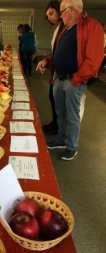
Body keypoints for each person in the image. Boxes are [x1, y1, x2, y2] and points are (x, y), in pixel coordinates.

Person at [36, 0, 104, 160]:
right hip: (58, 78)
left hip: (74, 80)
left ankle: (72, 146)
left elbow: (94, 60)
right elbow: (58, 53)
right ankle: (60, 140)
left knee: (72, 116)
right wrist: (47, 61)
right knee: (60, 113)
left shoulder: (92, 26)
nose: (60, 15)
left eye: (61, 11)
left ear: (72, 10)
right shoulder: (65, 29)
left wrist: (76, 79)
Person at [42, 0, 64, 134]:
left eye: (51, 13)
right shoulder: (58, 27)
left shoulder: (64, 28)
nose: (49, 17)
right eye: (48, 15)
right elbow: (55, 51)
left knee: (58, 101)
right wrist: (47, 61)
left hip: (62, 73)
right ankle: (55, 124)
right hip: (56, 71)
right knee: (53, 97)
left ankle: (58, 127)